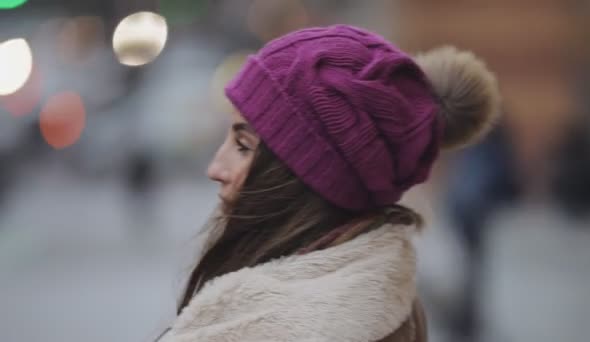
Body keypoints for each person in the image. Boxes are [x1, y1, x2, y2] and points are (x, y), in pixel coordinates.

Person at [156, 24, 500, 342]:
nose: (215, 167)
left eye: (243, 146)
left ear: (307, 179)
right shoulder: (378, 302)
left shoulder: (274, 328)